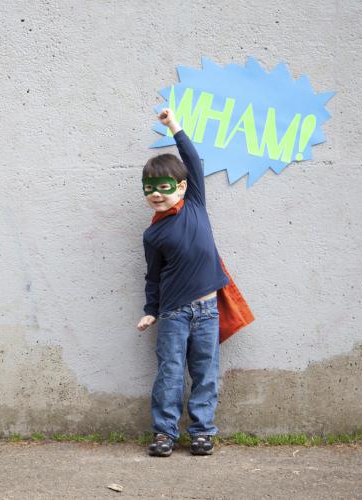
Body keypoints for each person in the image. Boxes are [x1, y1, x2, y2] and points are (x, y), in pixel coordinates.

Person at [137, 108, 230, 457]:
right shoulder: (153, 233)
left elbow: (191, 158)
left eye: (162, 188)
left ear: (181, 186)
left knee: (205, 372)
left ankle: (203, 431)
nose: (155, 194)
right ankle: (164, 433)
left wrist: (172, 126)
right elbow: (152, 276)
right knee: (171, 373)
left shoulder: (195, 205)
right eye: (149, 189)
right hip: (174, 313)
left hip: (208, 311)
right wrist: (151, 310)